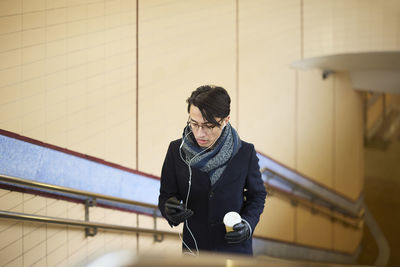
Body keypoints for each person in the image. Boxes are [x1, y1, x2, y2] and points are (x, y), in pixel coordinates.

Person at [158, 85, 267, 256]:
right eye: (194, 124)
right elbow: (165, 196)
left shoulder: (245, 152)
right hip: (195, 250)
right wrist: (169, 210)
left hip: (235, 250)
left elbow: (257, 195)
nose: (200, 133)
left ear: (225, 120)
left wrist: (247, 224)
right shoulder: (176, 151)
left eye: (208, 126)